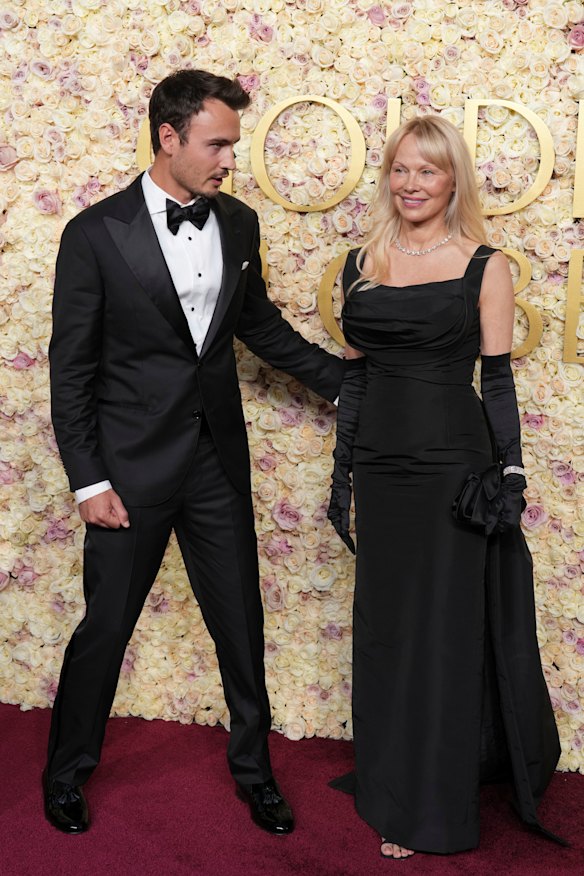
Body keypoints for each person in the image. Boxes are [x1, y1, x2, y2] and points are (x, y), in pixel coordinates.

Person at [44, 68, 345, 836]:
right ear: (169, 137)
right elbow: (71, 369)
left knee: (241, 626)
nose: (229, 162)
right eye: (216, 145)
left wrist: (346, 387)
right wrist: (88, 481)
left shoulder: (237, 222)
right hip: (128, 472)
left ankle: (256, 774)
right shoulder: (93, 234)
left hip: (215, 464)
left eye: (232, 146)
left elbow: (259, 325)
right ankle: (65, 773)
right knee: (105, 629)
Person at [327, 116, 562, 859]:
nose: (411, 184)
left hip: (451, 469)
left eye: (427, 170)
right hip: (382, 468)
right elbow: (356, 380)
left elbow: (498, 382)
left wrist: (511, 473)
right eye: (400, 169)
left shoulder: (485, 266)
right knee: (388, 629)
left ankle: (428, 806)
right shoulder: (361, 262)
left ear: (453, 179)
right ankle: (390, 777)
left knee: (440, 635)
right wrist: (342, 474)